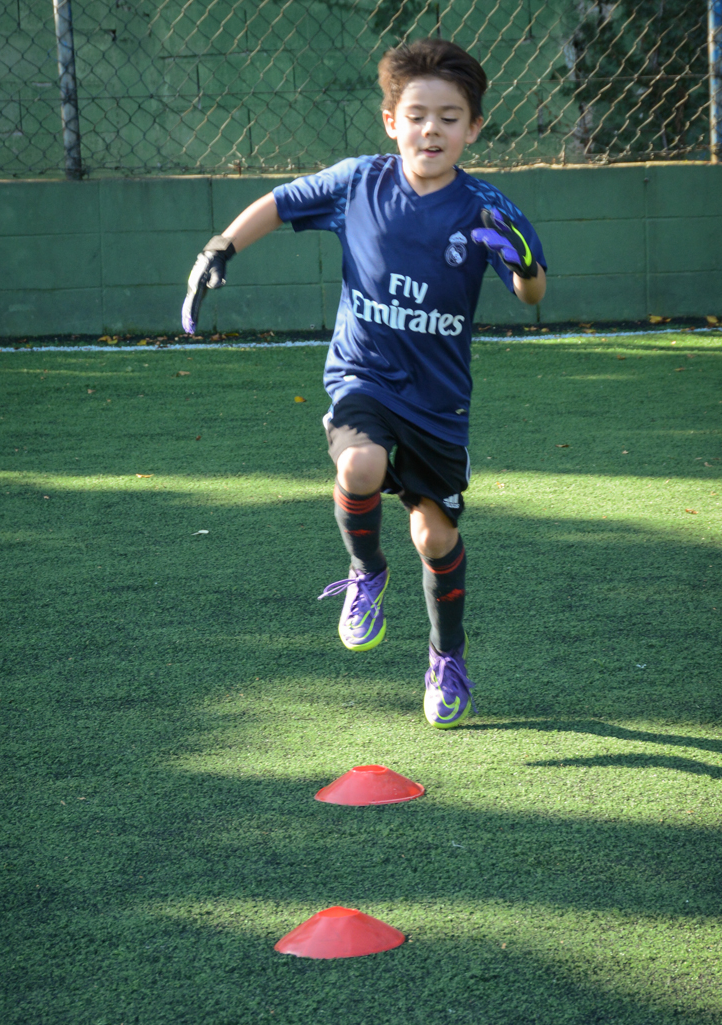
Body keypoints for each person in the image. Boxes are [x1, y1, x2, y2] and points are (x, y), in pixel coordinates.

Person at [182, 38, 547, 728]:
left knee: (434, 540)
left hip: (438, 403)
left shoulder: (484, 208)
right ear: (390, 120)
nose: (429, 129)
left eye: (448, 117)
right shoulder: (359, 182)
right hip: (363, 378)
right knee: (358, 461)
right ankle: (365, 573)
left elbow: (530, 292)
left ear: (472, 129)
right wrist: (219, 247)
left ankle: (447, 656)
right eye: (415, 114)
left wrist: (521, 260)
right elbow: (280, 203)